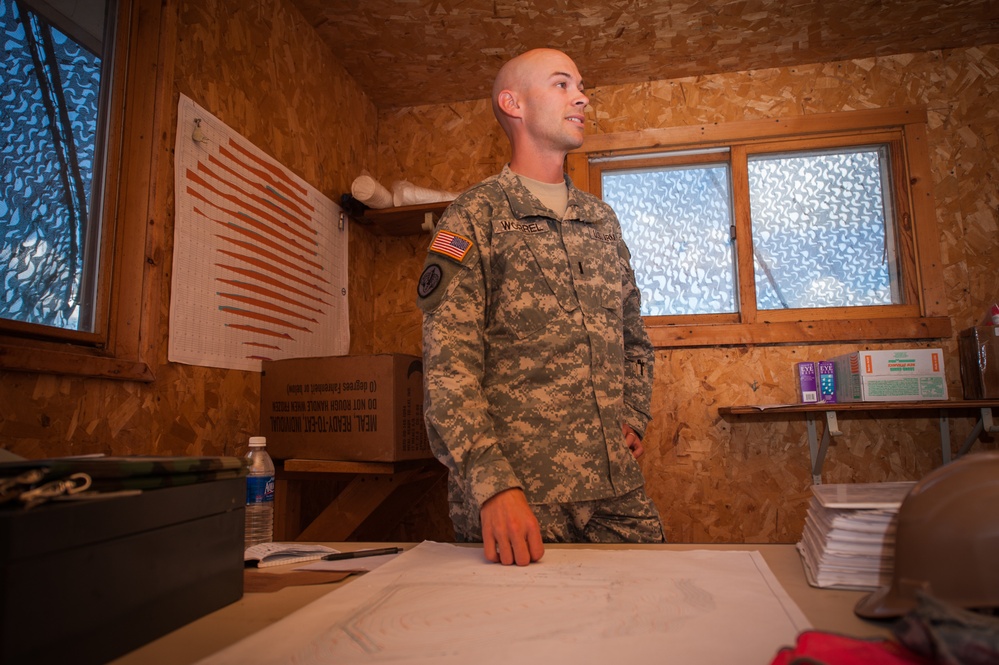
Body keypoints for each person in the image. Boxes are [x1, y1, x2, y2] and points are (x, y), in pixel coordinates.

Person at [416, 48, 664, 566]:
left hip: (613, 488)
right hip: (520, 494)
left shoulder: (601, 219)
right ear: (514, 104)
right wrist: (492, 485)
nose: (582, 96)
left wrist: (634, 415)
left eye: (580, 84)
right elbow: (448, 367)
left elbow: (633, 334)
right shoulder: (474, 216)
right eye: (561, 84)